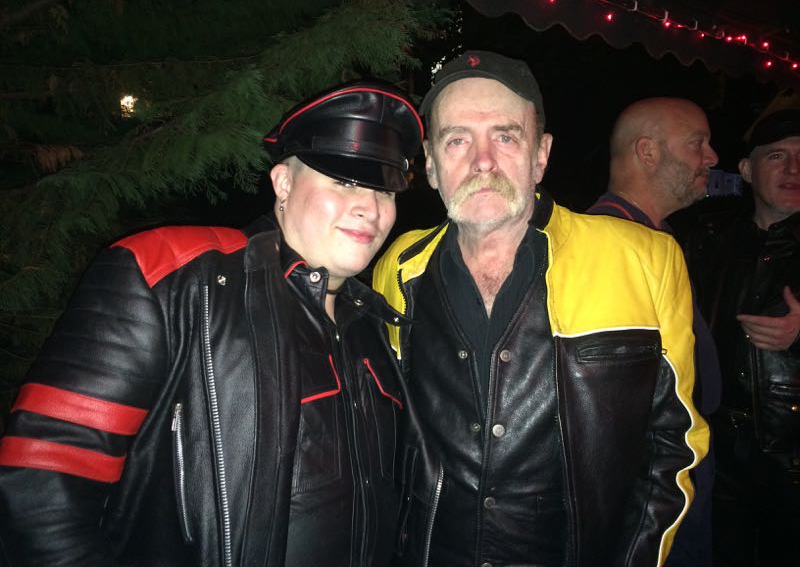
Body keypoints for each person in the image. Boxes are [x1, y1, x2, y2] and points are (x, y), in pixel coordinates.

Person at [0, 81, 423, 566]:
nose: (369, 207)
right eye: (342, 182)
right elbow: (40, 483)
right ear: (283, 183)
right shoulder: (171, 275)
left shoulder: (372, 328)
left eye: (382, 189)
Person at [373, 50, 709, 567]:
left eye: (506, 137)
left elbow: (674, 445)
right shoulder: (397, 267)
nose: (483, 161)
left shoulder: (644, 260)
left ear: (541, 155)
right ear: (432, 165)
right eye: (457, 139)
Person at [587, 97, 722, 567]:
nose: (712, 157)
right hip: (652, 501)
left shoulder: (654, 239)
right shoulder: (607, 247)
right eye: (697, 143)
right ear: (647, 152)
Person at [685, 108, 800, 567]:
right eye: (777, 156)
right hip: (715, 451)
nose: (793, 169)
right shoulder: (707, 238)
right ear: (748, 171)